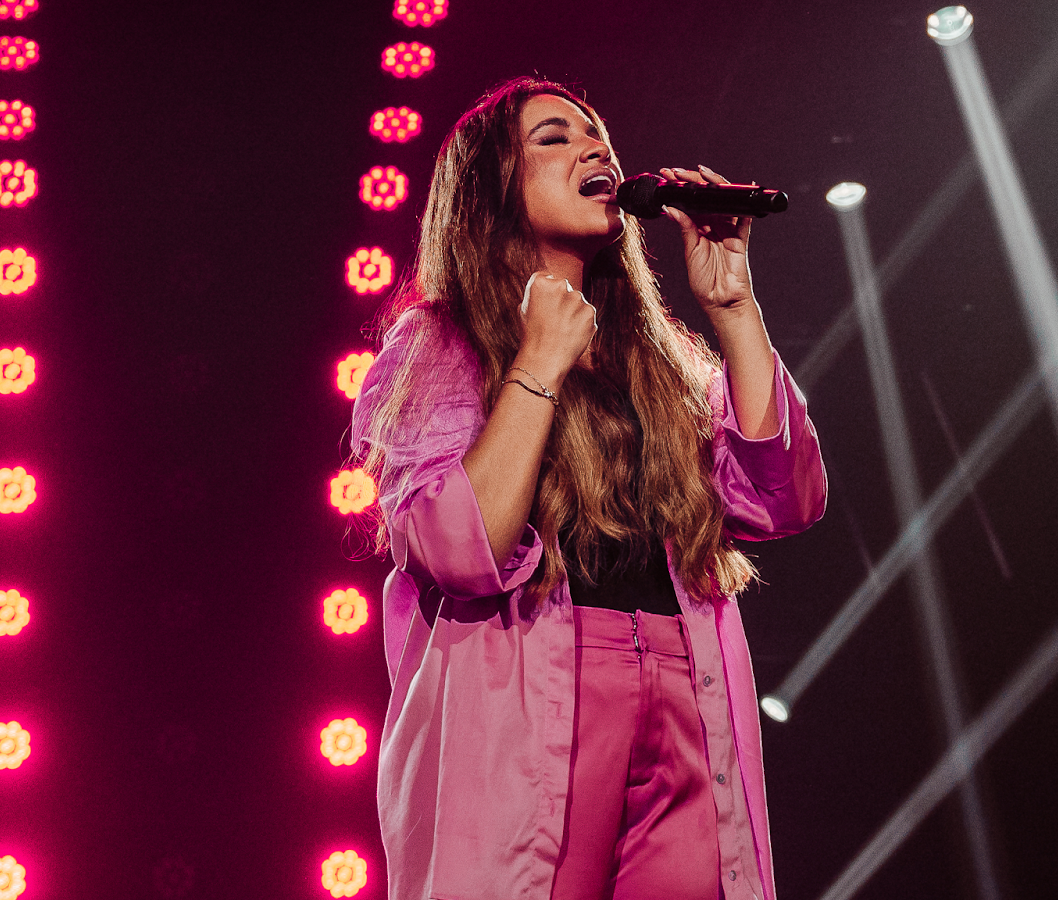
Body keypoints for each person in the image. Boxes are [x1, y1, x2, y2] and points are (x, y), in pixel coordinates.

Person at [350, 77, 827, 900]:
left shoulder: (657, 359)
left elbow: (785, 498)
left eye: (595, 134)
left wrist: (733, 306)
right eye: (554, 138)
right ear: (492, 188)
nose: (593, 147)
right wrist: (537, 363)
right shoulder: (441, 342)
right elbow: (461, 547)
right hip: (535, 697)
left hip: (687, 691)